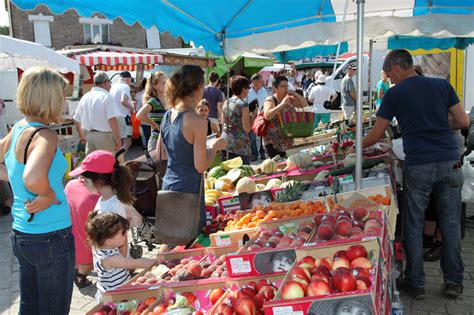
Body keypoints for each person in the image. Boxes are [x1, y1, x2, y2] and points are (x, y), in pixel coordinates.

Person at [362, 49, 469, 300]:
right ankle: (454, 282)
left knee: (413, 224)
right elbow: (463, 121)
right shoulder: (442, 85)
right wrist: (441, 124)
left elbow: (377, 134)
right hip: (450, 162)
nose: (389, 79)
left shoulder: (394, 93)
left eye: (389, 75)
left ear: (397, 68)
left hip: (419, 164)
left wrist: (358, 147)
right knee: (451, 224)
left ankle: (416, 283)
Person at [0, 67, 74, 314]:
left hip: (23, 234)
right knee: (54, 309)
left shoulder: (19, 128)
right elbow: (32, 178)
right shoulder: (45, 136)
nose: (65, 101)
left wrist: (20, 182)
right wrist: (48, 194)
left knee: (30, 307)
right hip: (50, 236)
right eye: (63, 95)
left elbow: (17, 172)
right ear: (50, 97)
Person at [156, 65, 227, 243]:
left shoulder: (167, 115)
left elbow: (161, 153)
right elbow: (201, 165)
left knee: (173, 241)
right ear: (196, 88)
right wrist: (215, 147)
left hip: (169, 183)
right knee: (191, 243)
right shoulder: (197, 121)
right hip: (189, 189)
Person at [69, 150, 141, 257]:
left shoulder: (114, 206)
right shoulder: (105, 199)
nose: (82, 183)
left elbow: (122, 243)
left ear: (99, 181)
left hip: (114, 270)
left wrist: (120, 268)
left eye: (85, 180)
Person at [86, 212, 155, 302]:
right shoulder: (110, 259)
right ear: (109, 241)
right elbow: (136, 262)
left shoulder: (101, 247)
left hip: (115, 290)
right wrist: (157, 262)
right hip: (114, 297)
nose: (126, 235)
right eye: (123, 233)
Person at [74, 72, 122, 154]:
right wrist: (118, 138)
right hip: (104, 137)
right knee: (109, 164)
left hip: (89, 136)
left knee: (93, 164)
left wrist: (82, 136)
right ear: (106, 82)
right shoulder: (106, 96)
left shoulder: (85, 96)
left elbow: (76, 119)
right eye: (110, 83)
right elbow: (112, 119)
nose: (110, 85)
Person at [65, 178, 100, 288]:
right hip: (85, 239)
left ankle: (77, 271)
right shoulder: (96, 194)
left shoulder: (71, 184)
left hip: (69, 231)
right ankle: (80, 276)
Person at [262, 76, 308, 158]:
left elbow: (304, 104)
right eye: (283, 86)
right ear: (275, 88)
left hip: (287, 142)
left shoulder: (289, 99)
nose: (286, 88)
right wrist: (282, 104)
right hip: (274, 144)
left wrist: (295, 94)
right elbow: (267, 116)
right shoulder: (270, 100)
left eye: (287, 86)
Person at [221, 75, 253, 165]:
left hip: (225, 143)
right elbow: (247, 128)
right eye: (248, 87)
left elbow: (223, 122)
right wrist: (253, 115)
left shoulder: (226, 102)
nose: (249, 90)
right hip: (240, 146)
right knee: (242, 176)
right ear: (243, 89)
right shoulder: (243, 105)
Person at [136, 72, 167, 151]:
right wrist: (153, 123)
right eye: (164, 83)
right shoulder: (154, 101)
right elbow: (139, 115)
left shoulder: (167, 99)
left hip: (166, 140)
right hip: (156, 141)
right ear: (155, 86)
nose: (167, 85)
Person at [110, 71, 135, 161]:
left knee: (118, 141)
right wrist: (131, 108)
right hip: (123, 116)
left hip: (113, 117)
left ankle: (117, 159)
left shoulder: (113, 87)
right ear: (128, 79)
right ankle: (118, 159)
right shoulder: (125, 87)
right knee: (128, 141)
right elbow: (123, 100)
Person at [247, 73, 269, 160]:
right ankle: (254, 154)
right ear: (254, 82)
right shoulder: (247, 91)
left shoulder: (264, 91)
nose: (262, 83)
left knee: (262, 134)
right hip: (251, 115)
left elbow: (267, 101)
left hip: (262, 114)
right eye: (260, 81)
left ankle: (262, 152)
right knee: (251, 136)